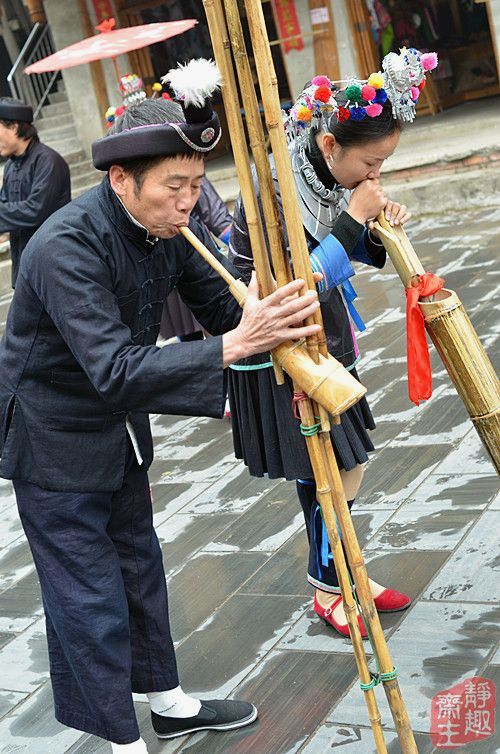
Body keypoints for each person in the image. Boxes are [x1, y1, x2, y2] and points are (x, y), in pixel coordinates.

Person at [0, 60, 322, 753]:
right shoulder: (64, 248)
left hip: (119, 430)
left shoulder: (168, 233)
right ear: (122, 181)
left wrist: (273, 315)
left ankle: (170, 702)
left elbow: (223, 312)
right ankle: (122, 741)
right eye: (173, 188)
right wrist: (236, 345)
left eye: (196, 188)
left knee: (141, 566)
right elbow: (117, 368)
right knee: (88, 594)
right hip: (53, 438)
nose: (187, 204)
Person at [228, 49, 438, 638]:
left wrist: (376, 224)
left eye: (383, 166)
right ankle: (331, 587)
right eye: (369, 164)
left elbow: (347, 254)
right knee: (328, 468)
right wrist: (352, 221)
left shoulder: (332, 180)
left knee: (342, 467)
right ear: (329, 147)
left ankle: (345, 573)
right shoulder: (274, 185)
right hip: (282, 347)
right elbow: (294, 283)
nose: (374, 176)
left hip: (326, 341)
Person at [0, 96, 71, 287]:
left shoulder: (49, 161)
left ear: (14, 127)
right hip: (22, 263)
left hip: (52, 263)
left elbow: (35, 210)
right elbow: (5, 207)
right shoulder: (10, 167)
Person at [160, 174, 233, 343]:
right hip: (192, 260)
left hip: (172, 260)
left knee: (189, 330)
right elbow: (217, 218)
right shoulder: (187, 172)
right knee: (206, 329)